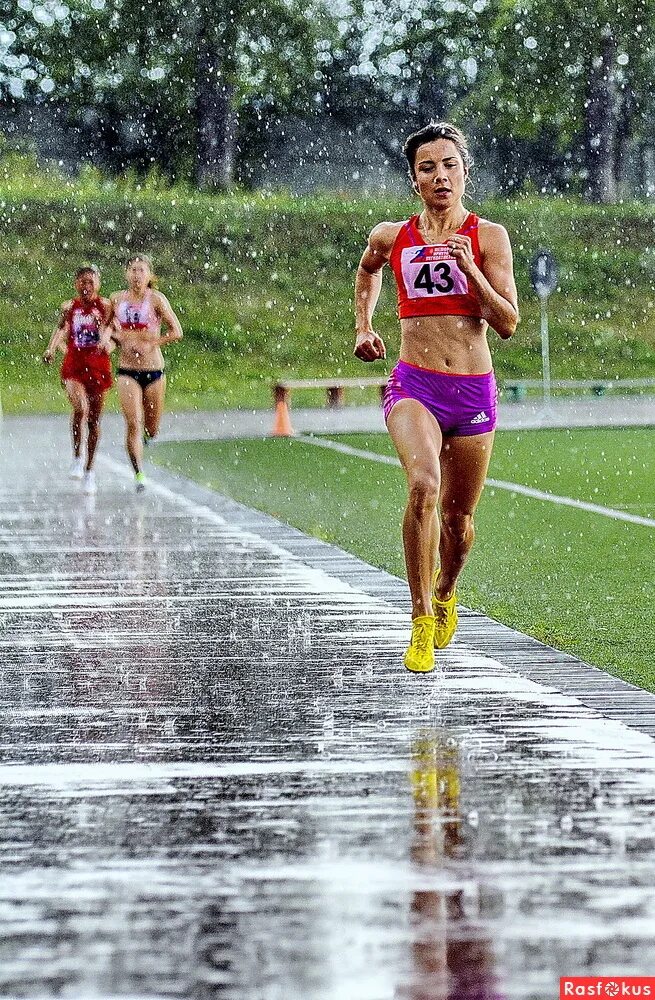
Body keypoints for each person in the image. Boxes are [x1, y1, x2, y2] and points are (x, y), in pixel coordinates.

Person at [354, 122, 519, 673]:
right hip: (414, 383)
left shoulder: (488, 237)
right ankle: (420, 617)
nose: (440, 176)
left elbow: (509, 323)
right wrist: (363, 325)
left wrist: (470, 270)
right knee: (423, 485)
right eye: (428, 167)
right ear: (414, 180)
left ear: (465, 172)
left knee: (458, 521)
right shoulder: (392, 236)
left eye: (449, 165)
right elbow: (366, 270)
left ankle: (447, 591)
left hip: (471, 388)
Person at [107, 254, 183, 492]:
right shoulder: (117, 299)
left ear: (149, 275)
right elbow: (108, 327)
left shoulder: (157, 300)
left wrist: (153, 343)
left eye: (141, 270)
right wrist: (111, 340)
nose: (136, 275)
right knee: (133, 423)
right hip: (127, 370)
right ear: (126, 274)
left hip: (153, 370)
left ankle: (150, 437)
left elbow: (176, 331)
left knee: (151, 427)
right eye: (132, 270)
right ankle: (139, 473)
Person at [43, 264, 113, 494]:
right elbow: (61, 329)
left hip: (98, 367)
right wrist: (51, 349)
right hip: (74, 366)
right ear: (76, 284)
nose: (87, 287)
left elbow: (114, 331)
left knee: (93, 420)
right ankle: (76, 457)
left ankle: (90, 470)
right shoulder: (69, 308)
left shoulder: (105, 306)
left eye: (91, 282)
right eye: (83, 282)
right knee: (80, 409)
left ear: (99, 284)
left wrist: (108, 344)